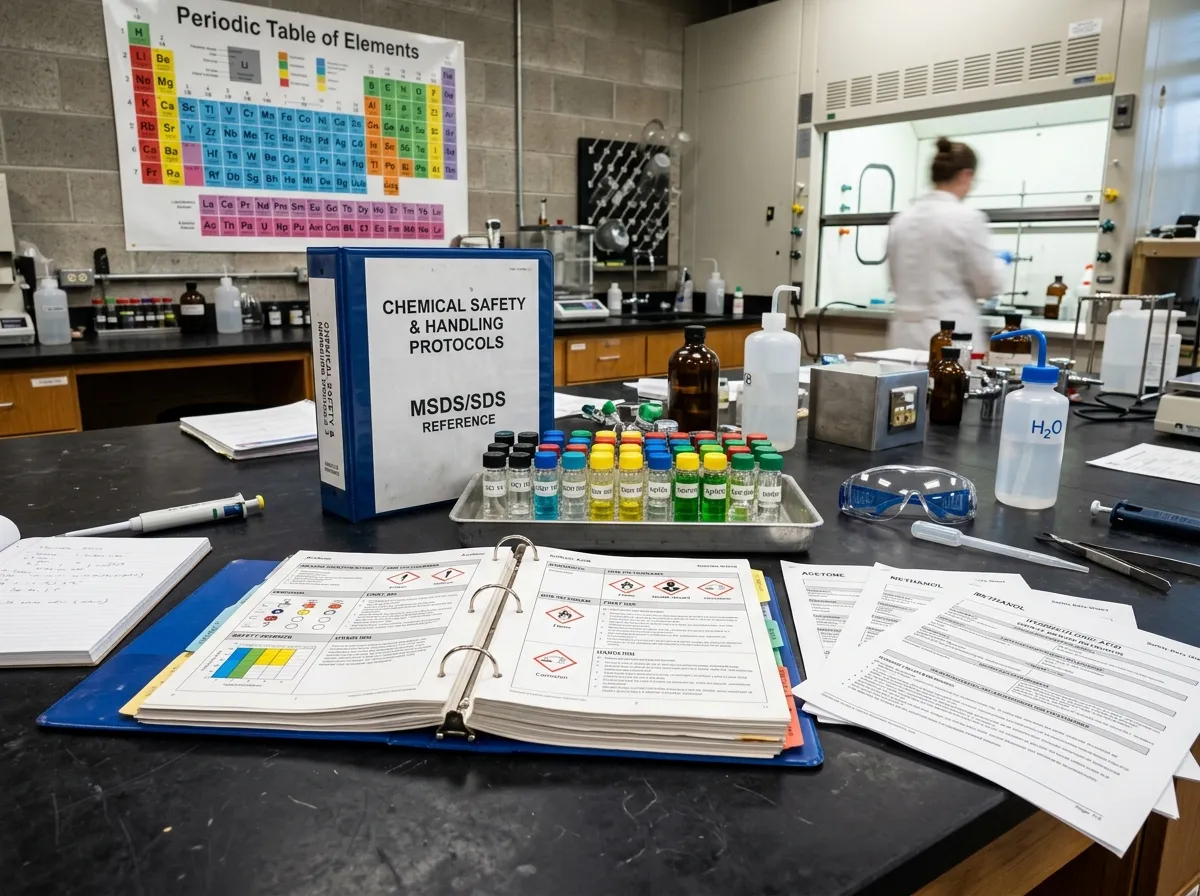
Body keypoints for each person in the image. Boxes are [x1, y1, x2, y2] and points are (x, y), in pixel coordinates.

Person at [886, 137, 1004, 351]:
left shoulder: (901, 220)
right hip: (950, 335)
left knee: (902, 385)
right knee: (950, 384)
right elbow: (988, 285)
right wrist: (1000, 263)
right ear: (966, 175)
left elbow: (895, 283)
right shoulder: (967, 218)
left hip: (904, 336)